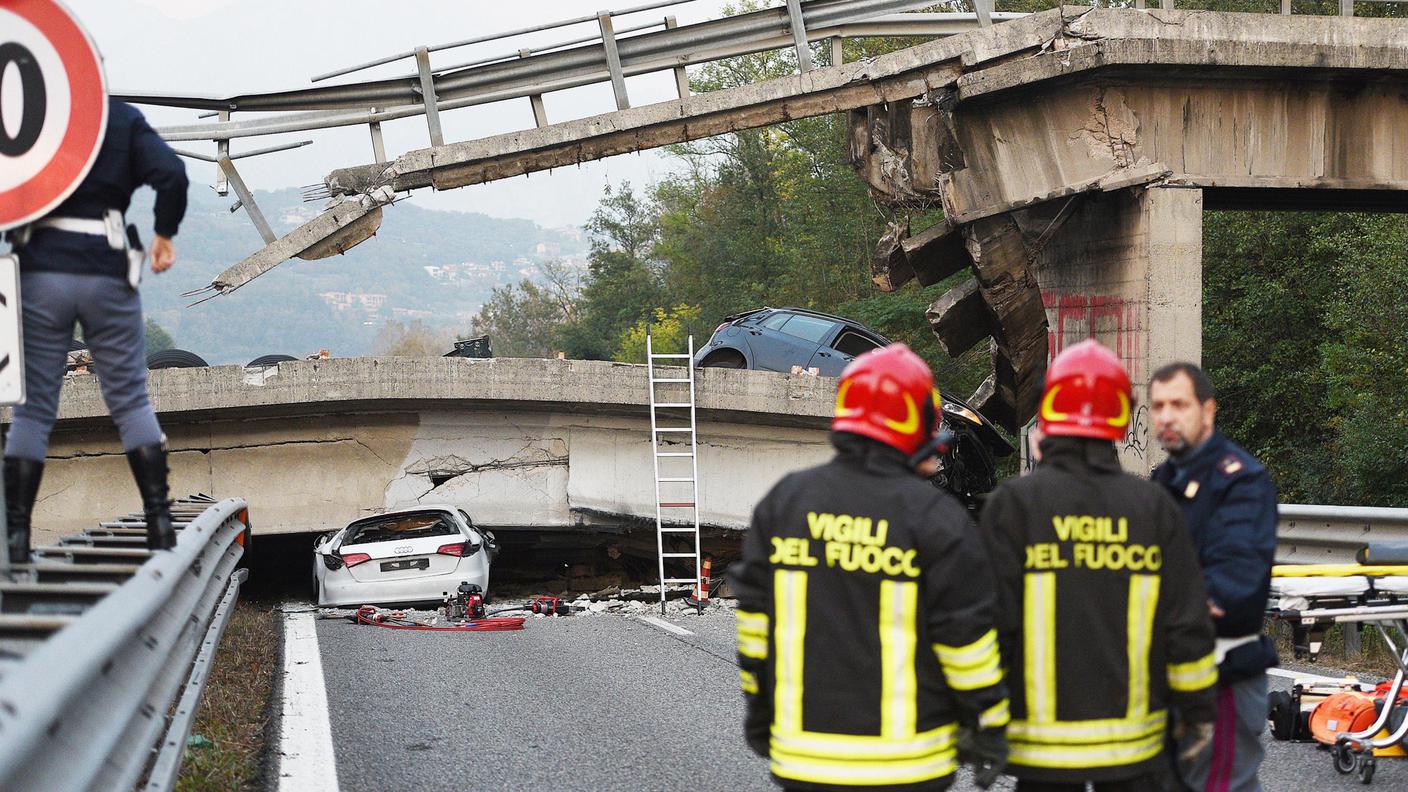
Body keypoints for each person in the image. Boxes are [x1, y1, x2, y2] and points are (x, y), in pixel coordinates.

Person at [731, 343, 1010, 791]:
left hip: (806, 758)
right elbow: (967, 643)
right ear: (916, 424)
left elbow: (756, 630)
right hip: (910, 763)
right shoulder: (937, 519)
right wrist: (989, 725)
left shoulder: (785, 504)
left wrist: (761, 715)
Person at [979, 339, 1218, 792]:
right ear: (1122, 416)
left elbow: (989, 626)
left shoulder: (1014, 506)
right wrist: (1197, 714)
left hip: (1040, 750)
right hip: (1134, 749)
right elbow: (1187, 627)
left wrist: (985, 720)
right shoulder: (1153, 508)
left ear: (1048, 413)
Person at [4, 98, 188, 562]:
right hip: (107, 267)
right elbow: (172, 175)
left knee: (33, 410)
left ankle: (18, 539)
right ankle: (160, 526)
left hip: (40, 271)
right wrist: (164, 233)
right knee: (129, 400)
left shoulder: (28, 111)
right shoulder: (119, 117)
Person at [1149, 362, 1278, 792]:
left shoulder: (1240, 482)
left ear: (1208, 410)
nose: (1166, 416)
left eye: (1179, 405)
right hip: (1166, 680)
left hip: (1222, 680)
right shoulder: (1163, 483)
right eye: (1158, 406)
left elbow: (1232, 590)